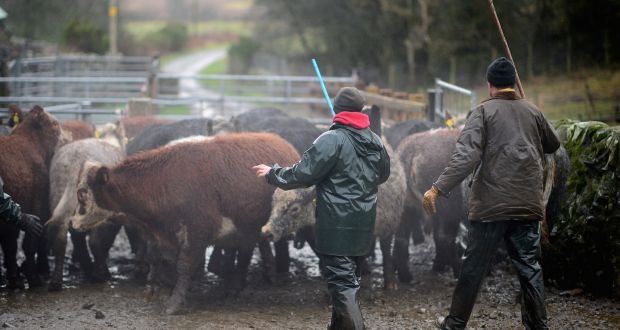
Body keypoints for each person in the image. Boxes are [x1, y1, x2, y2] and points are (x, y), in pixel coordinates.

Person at [424, 57, 560, 330]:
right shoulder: (532, 111)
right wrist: (532, 113)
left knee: (473, 267)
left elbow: (465, 157)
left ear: (490, 85)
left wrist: (438, 188)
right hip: (527, 205)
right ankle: (538, 326)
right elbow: (552, 144)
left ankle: (455, 324)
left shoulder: (482, 113)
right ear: (512, 83)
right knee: (529, 267)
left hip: (490, 208)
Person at [254, 87, 390, 330]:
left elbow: (303, 175)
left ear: (337, 110)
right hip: (363, 224)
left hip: (336, 225)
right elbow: (382, 175)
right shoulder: (375, 141)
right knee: (348, 283)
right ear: (359, 110)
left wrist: (273, 174)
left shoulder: (330, 140)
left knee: (343, 286)